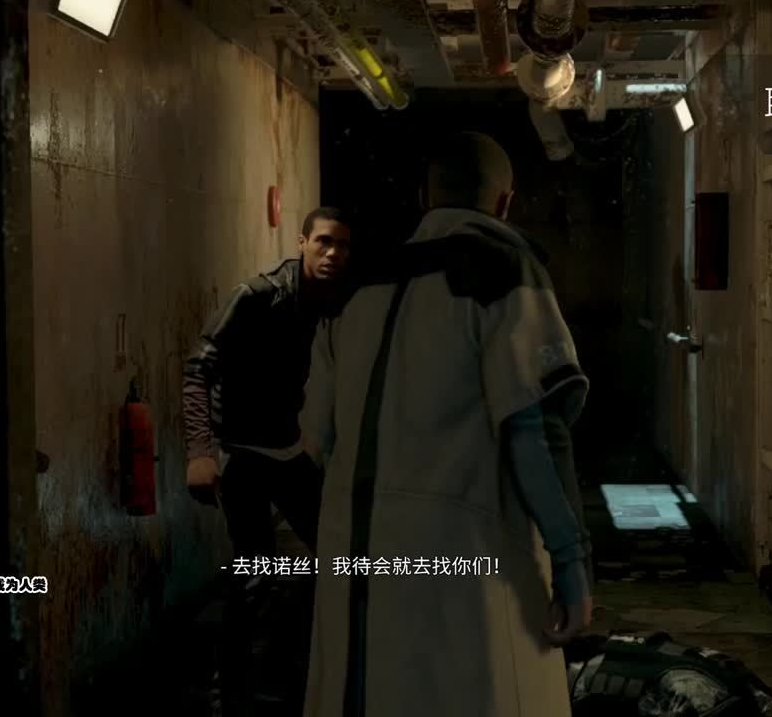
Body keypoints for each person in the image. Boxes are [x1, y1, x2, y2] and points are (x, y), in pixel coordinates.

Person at [298, 132, 593, 717]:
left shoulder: (358, 286)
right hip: (463, 562)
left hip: (355, 559)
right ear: (504, 202)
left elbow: (315, 438)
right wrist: (572, 560)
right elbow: (533, 431)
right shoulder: (504, 271)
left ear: (424, 196)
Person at [181, 206, 352, 715]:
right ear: (302, 242)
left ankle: (316, 678)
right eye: (323, 241)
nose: (332, 253)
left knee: (343, 554)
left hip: (289, 449)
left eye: (342, 245)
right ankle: (229, 694)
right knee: (256, 575)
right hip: (246, 456)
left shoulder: (336, 302)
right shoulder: (257, 296)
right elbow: (198, 368)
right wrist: (199, 452)